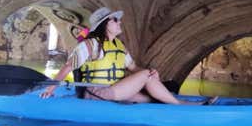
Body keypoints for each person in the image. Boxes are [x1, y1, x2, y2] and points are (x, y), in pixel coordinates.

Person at [40, 7, 215, 105]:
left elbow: (133, 68)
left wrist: (150, 72)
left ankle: (181, 103)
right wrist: (49, 89)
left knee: (151, 99)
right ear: (105, 25)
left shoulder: (119, 45)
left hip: (115, 88)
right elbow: (67, 67)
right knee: (146, 77)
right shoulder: (90, 44)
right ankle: (183, 106)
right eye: (115, 20)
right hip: (97, 92)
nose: (119, 22)